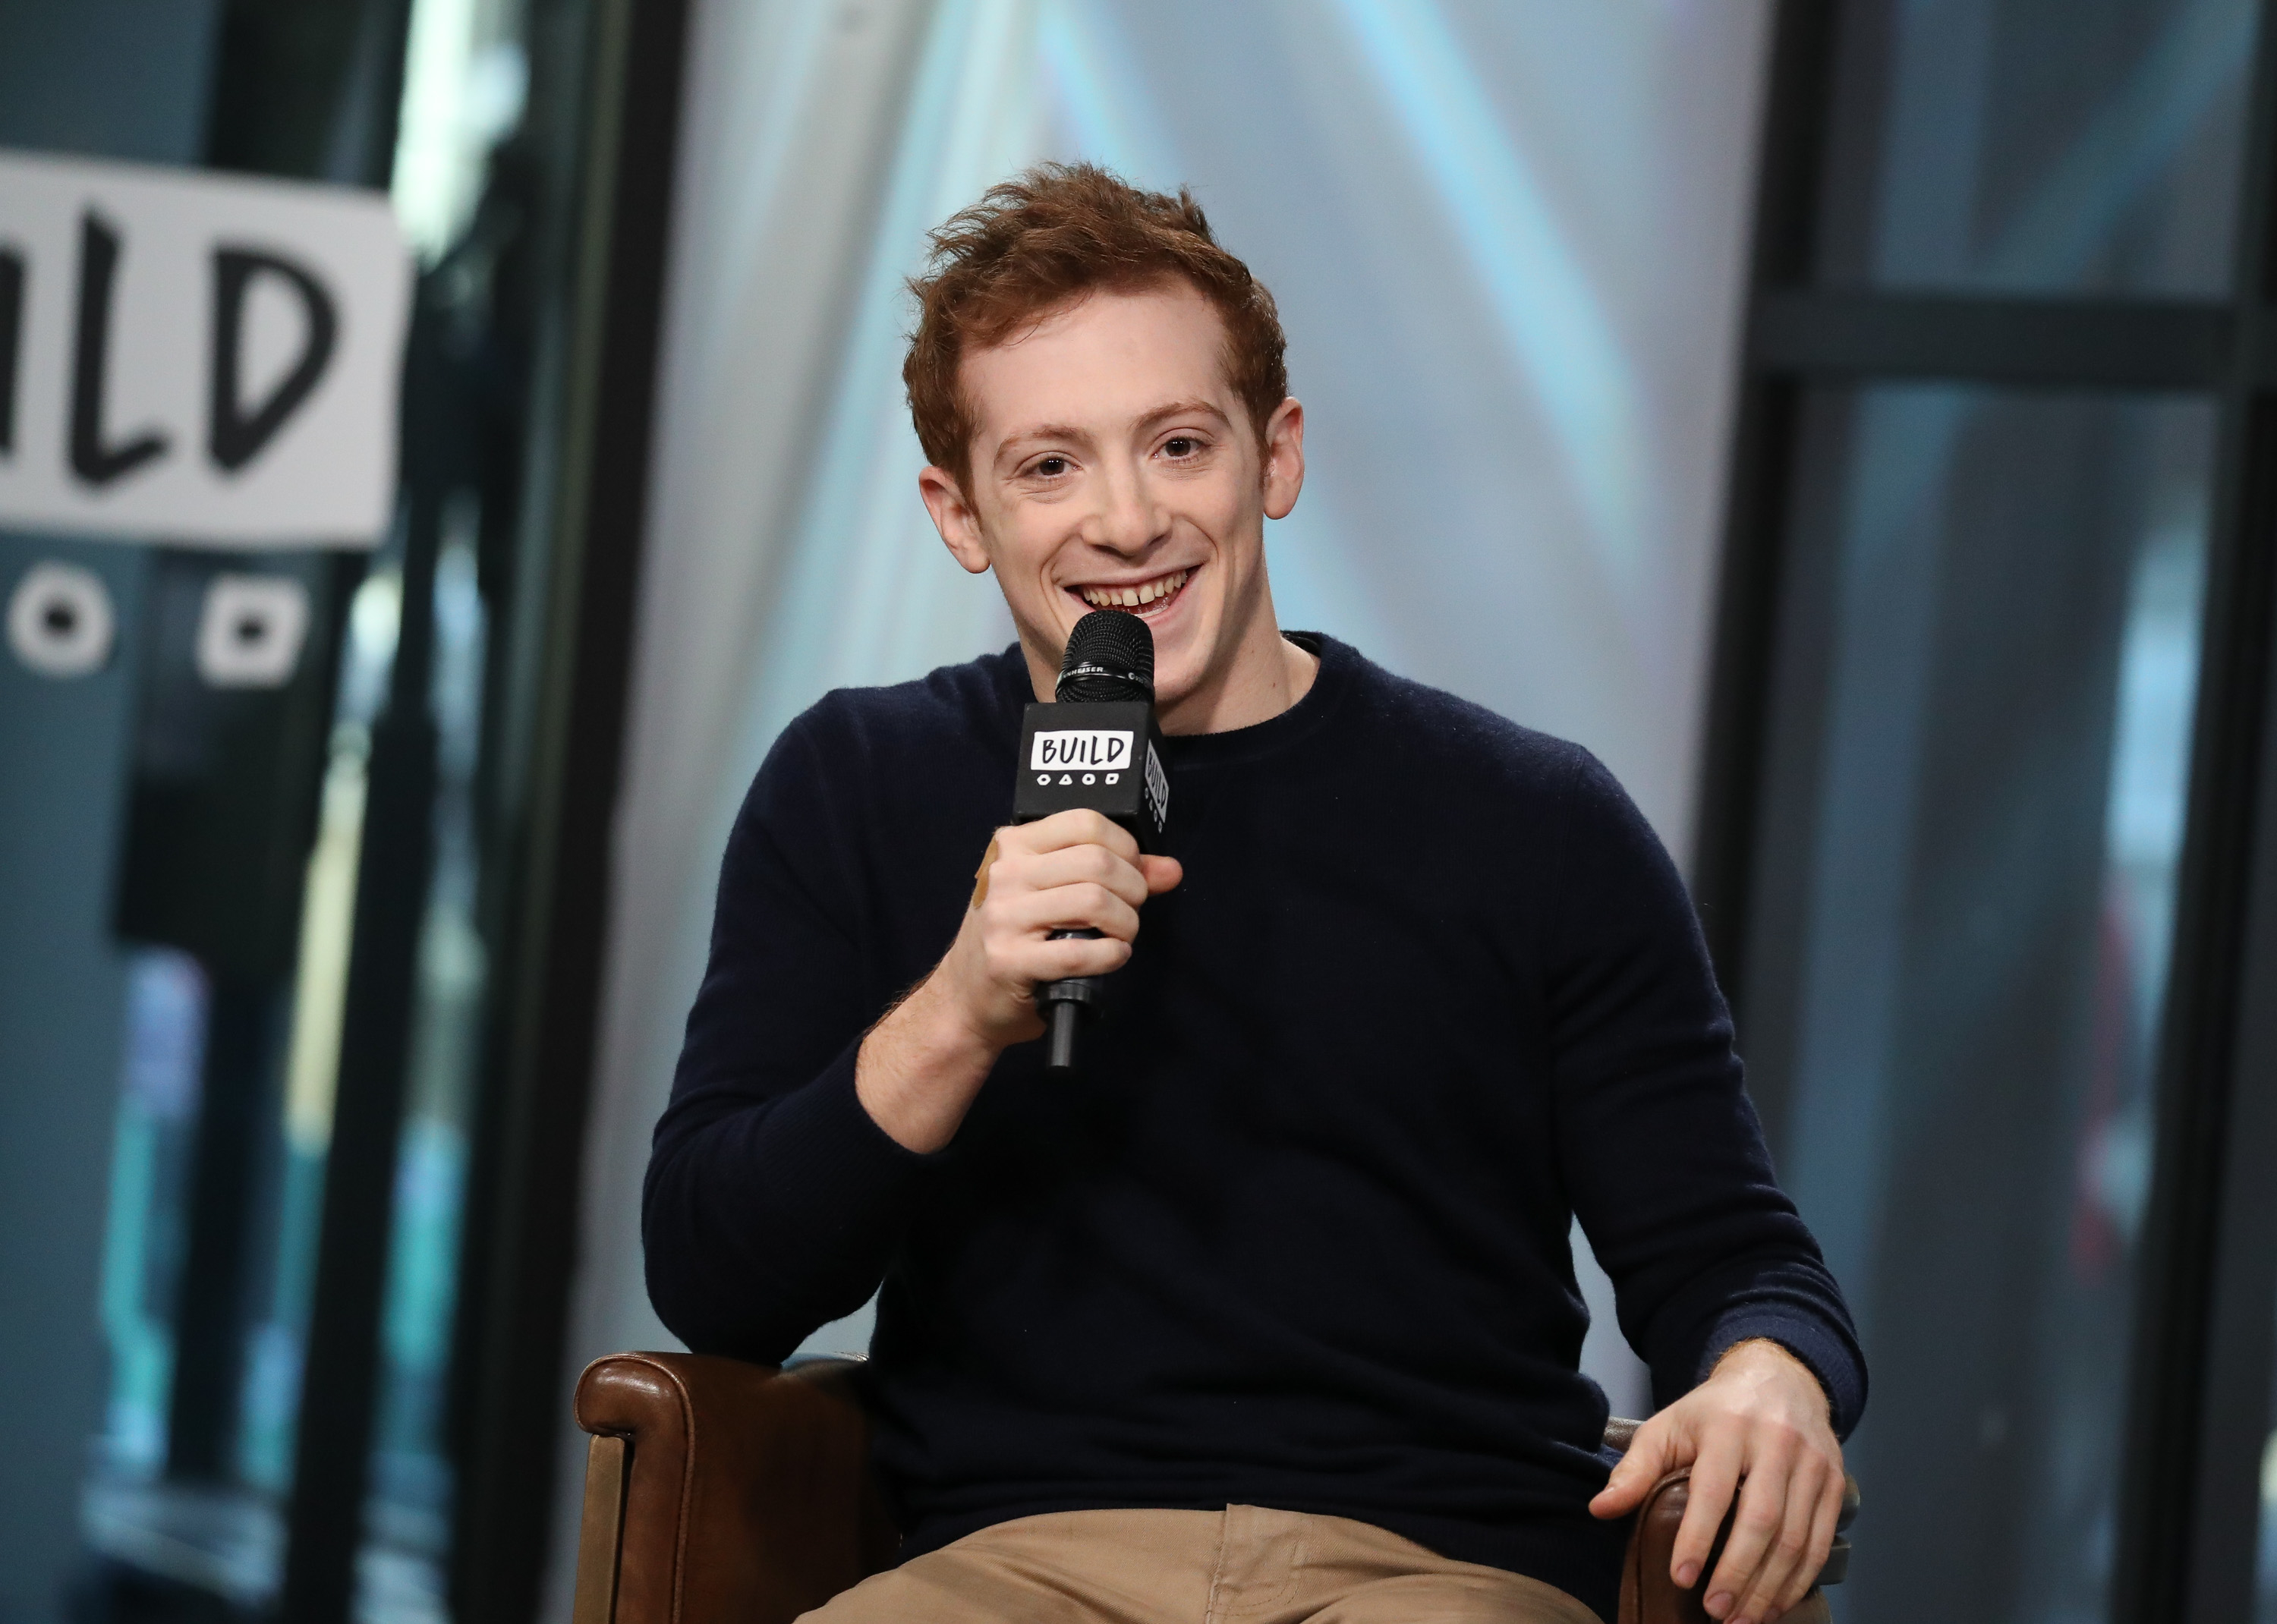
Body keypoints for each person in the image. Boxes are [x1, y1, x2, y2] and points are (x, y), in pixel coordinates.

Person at [644, 164, 1864, 1624]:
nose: (1125, 521)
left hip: (1435, 1569)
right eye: (1048, 466)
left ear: (1273, 457)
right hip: (1006, 1564)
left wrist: (1770, 1373)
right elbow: (717, 1283)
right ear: (957, 513)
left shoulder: (1535, 821)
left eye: (1176, 445)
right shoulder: (856, 781)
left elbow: (1735, 1260)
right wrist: (961, 1011)